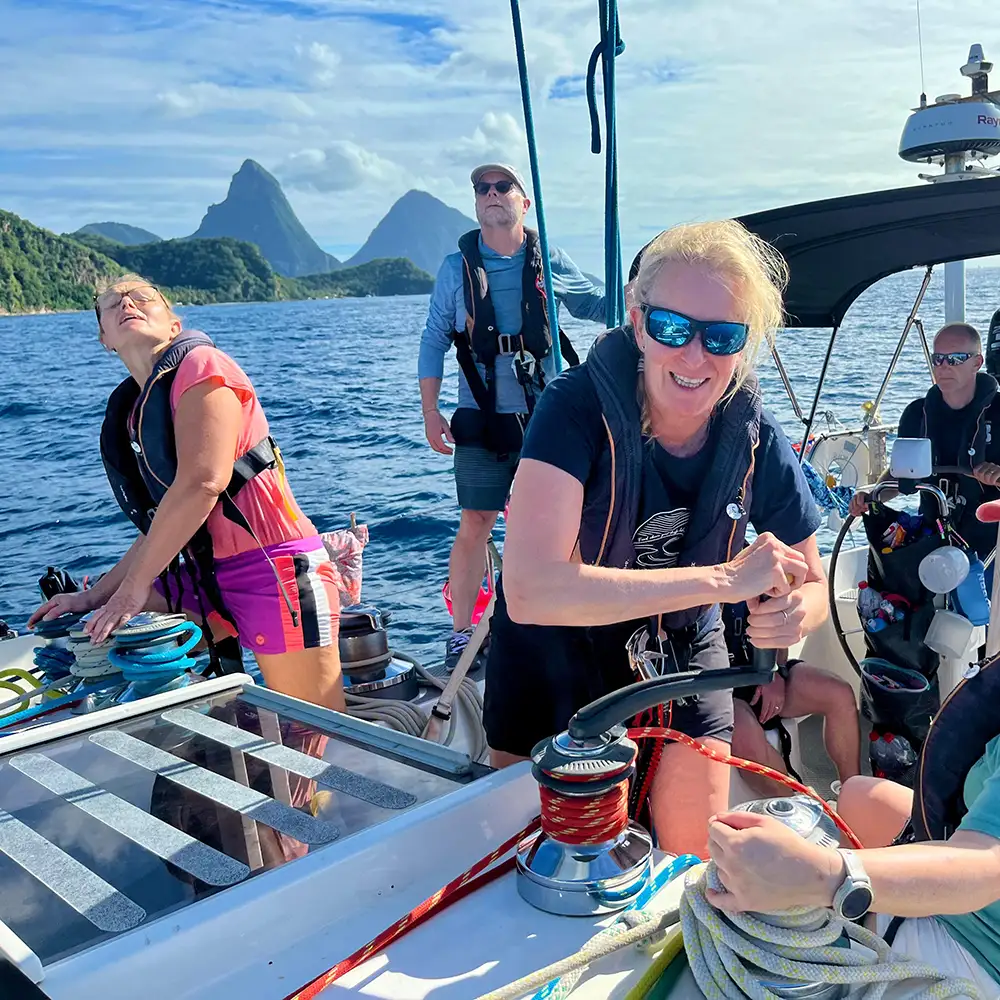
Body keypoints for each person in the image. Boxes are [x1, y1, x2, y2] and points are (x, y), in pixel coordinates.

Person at [483, 220, 830, 858]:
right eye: (674, 328)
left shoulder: (753, 436)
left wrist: (788, 615)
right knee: (546, 868)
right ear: (639, 323)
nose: (695, 357)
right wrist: (725, 581)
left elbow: (814, 581)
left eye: (723, 336)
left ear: (745, 347)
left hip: (683, 658)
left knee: (690, 868)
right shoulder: (573, 411)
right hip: (556, 657)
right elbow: (530, 589)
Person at [28, 274, 345, 711]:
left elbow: (202, 484)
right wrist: (95, 595)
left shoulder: (203, 366)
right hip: (203, 575)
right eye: (112, 302)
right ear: (104, 338)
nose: (127, 303)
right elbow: (164, 522)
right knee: (104, 638)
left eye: (142, 296)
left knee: (314, 730)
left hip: (271, 569)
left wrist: (133, 589)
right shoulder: (136, 412)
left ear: (174, 325)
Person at [418, 163, 606, 670]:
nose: (492, 194)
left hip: (548, 419)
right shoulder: (455, 269)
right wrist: (430, 409)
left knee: (565, 527)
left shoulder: (549, 259)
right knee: (475, 522)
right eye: (483, 189)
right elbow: (434, 338)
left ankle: (571, 620)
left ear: (524, 202)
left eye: (504, 187)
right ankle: (462, 635)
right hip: (481, 418)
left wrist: (641, 294)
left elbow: (593, 304)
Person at [850, 322, 1000, 566]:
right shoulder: (916, 415)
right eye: (938, 359)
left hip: (992, 545)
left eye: (955, 359)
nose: (943, 367)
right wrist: (873, 495)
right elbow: (900, 473)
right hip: (933, 541)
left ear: (977, 363)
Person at [723, 600, 861, 797]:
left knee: (839, 694)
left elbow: (780, 623)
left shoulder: (762, 570)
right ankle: (797, 808)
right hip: (717, 689)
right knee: (744, 732)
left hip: (764, 672)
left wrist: (776, 672)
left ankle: (853, 797)